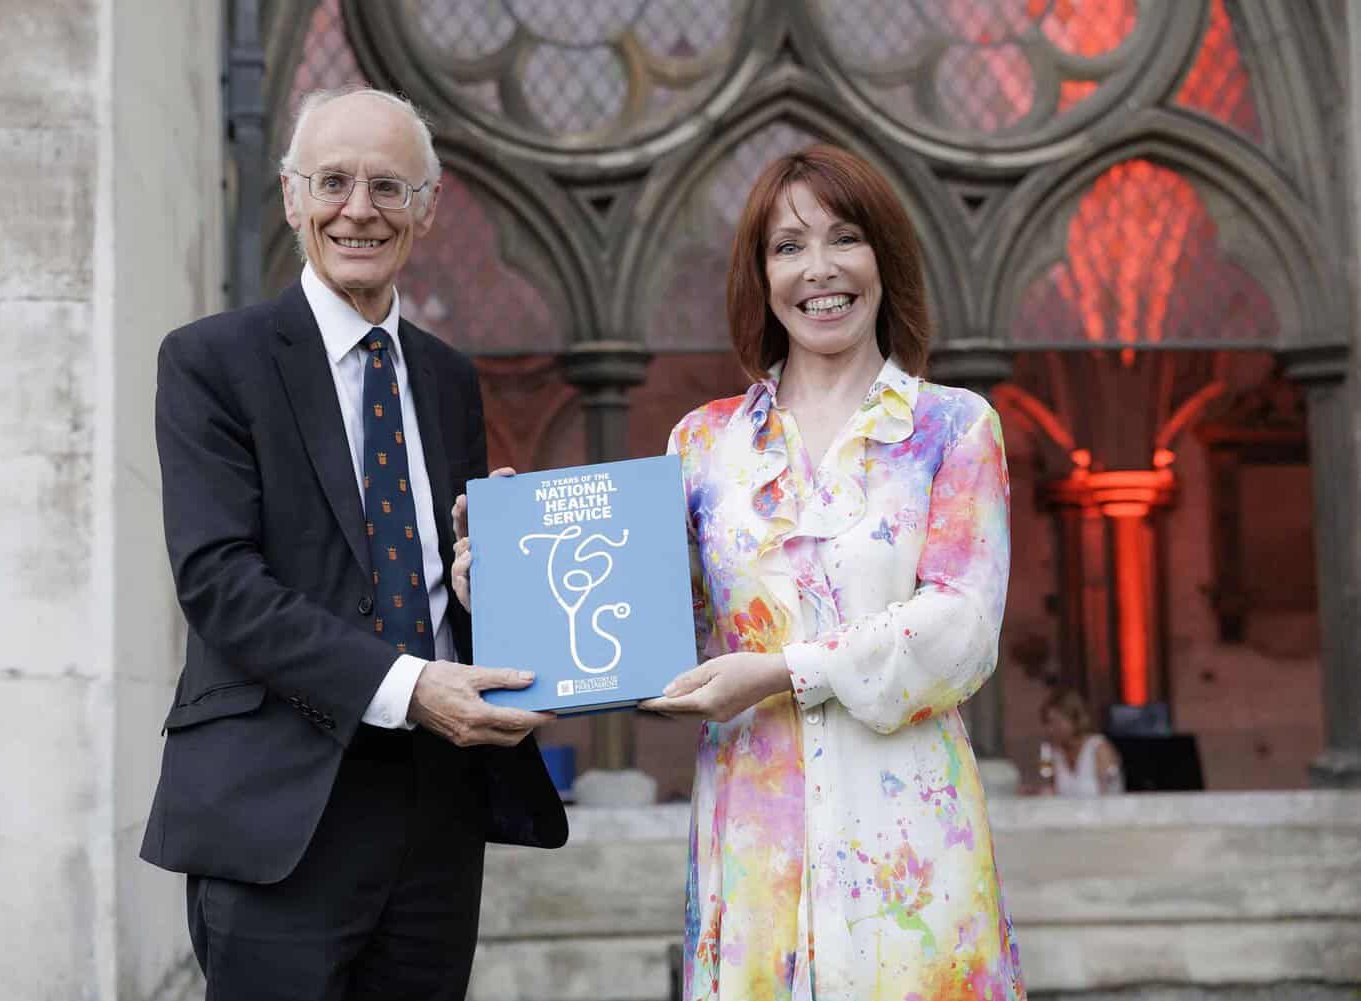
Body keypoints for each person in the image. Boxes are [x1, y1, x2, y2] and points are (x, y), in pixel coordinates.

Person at [140, 86, 567, 1001]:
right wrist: (409, 687)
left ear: (427, 206)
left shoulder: (448, 378)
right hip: (279, 812)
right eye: (333, 182)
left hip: (435, 813)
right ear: (291, 197)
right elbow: (219, 581)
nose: (359, 210)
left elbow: (434, 578)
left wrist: (487, 580)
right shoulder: (210, 362)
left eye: (388, 186)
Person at [639, 145, 1025, 999]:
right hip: (754, 849)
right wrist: (506, 578)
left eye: (844, 237)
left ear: (885, 258)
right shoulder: (702, 446)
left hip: (910, 850)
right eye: (788, 246)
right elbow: (647, 630)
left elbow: (960, 630)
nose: (818, 268)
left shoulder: (953, 428)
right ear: (760, 276)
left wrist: (784, 669)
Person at [1038, 688, 1124, 797]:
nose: (1050, 729)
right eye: (1047, 722)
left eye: (1056, 722)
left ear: (1074, 719)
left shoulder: (1099, 748)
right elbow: (1051, 788)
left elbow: (1112, 792)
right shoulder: (1053, 753)